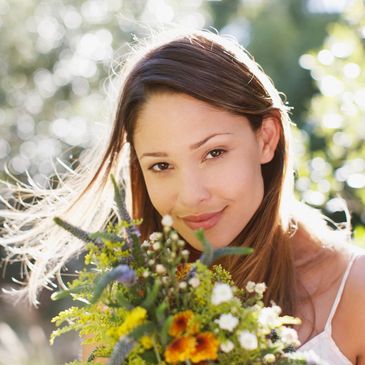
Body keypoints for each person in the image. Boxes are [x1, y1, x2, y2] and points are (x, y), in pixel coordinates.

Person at [0, 29, 364, 364]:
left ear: (265, 138)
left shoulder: (354, 294)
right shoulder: (126, 314)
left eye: (214, 153)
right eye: (161, 166)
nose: (191, 196)